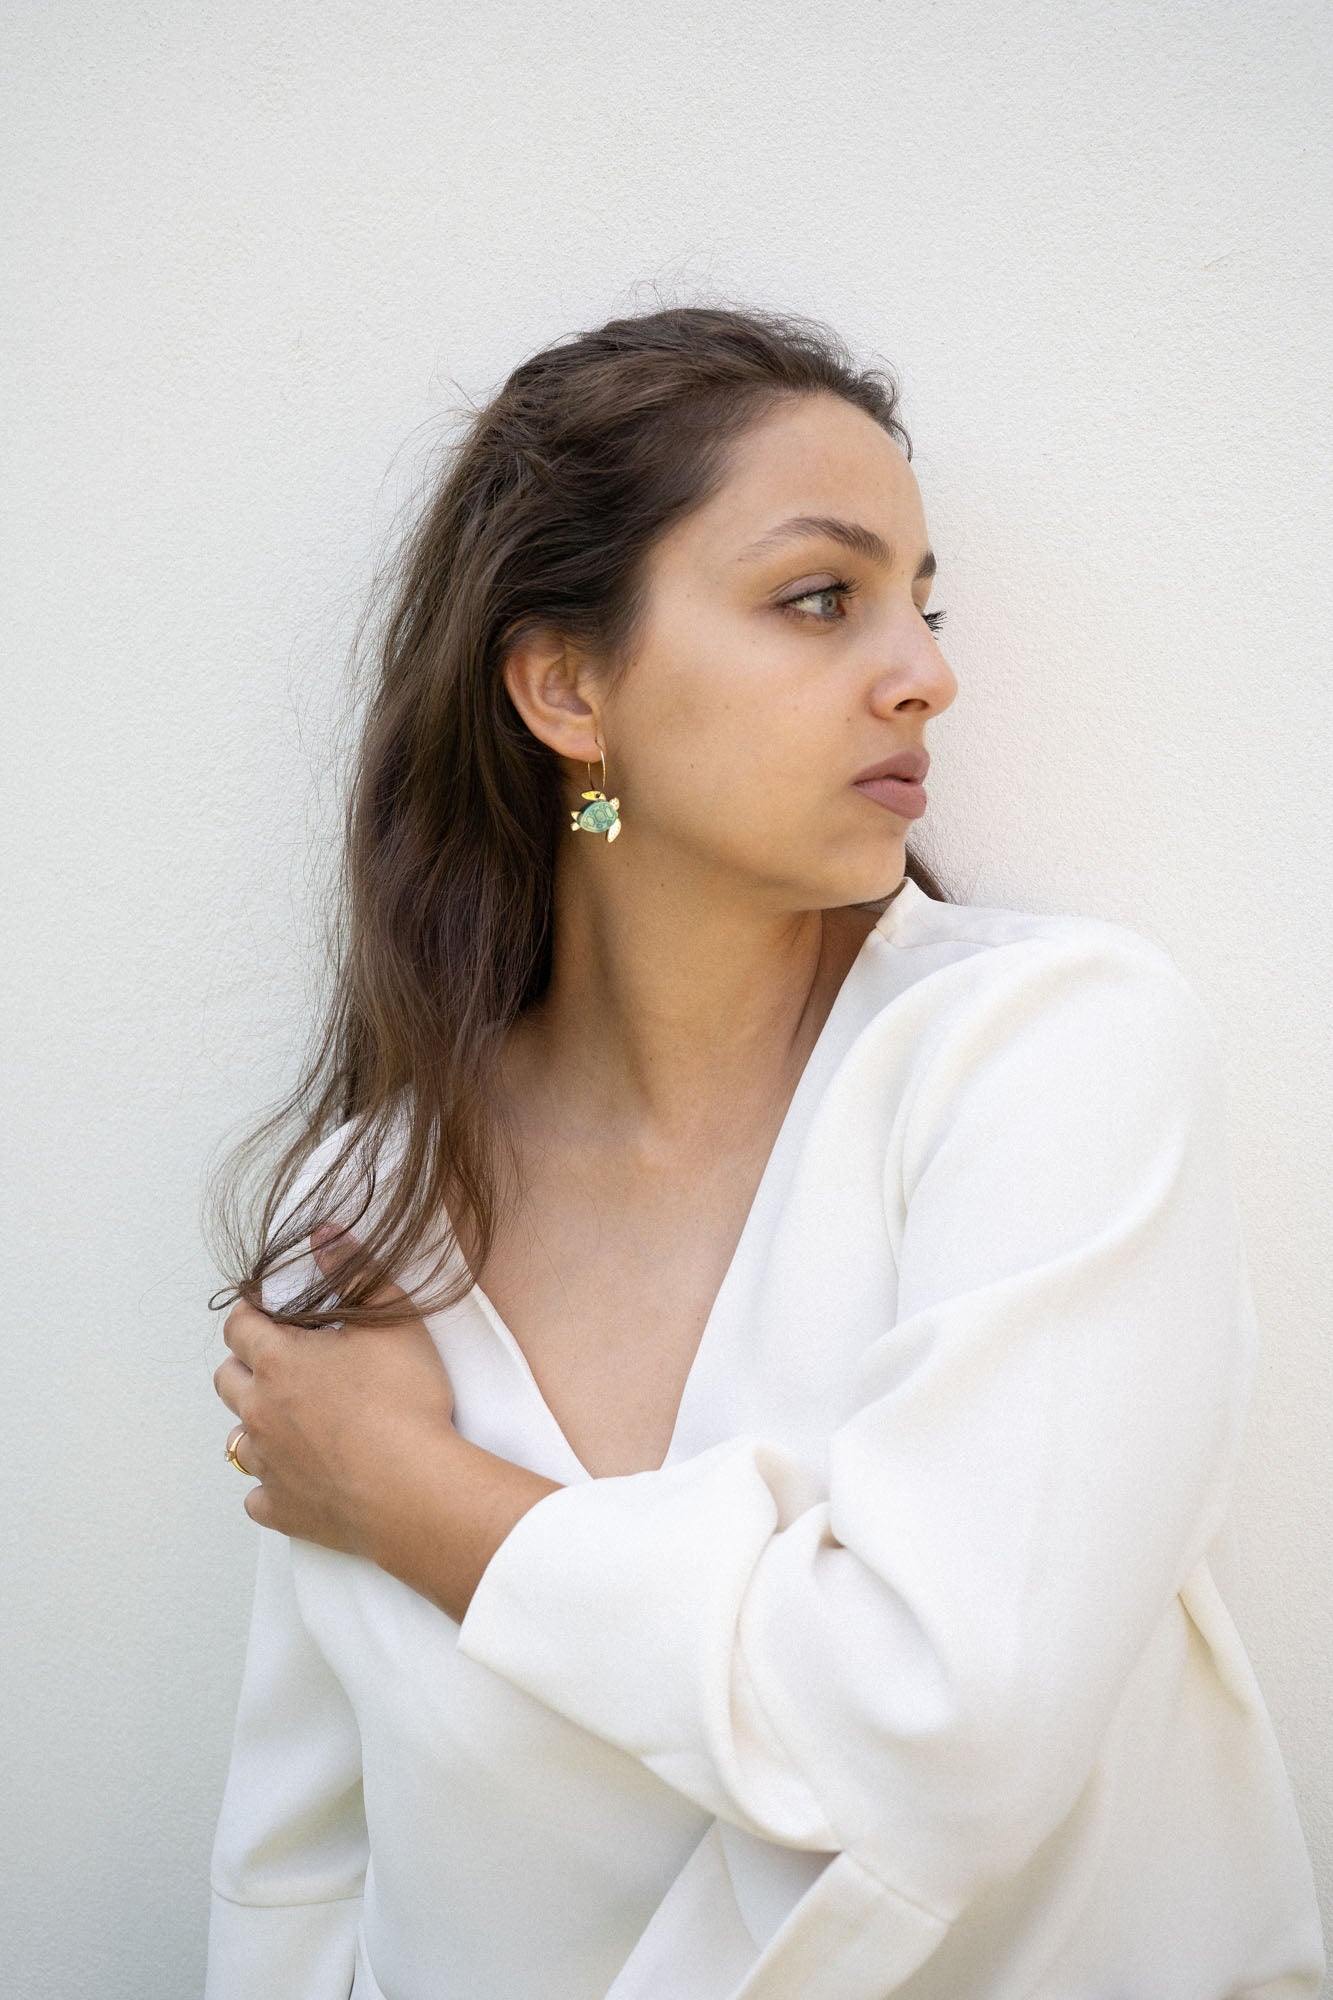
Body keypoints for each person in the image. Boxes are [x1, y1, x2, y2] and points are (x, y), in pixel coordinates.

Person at [203, 303, 1325, 2000]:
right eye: (821, 598)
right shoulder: (364, 1215)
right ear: (566, 687)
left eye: (921, 605)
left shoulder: (1047, 1056)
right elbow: (300, 1878)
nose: (926, 670)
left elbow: (942, 1730)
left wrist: (429, 1502)